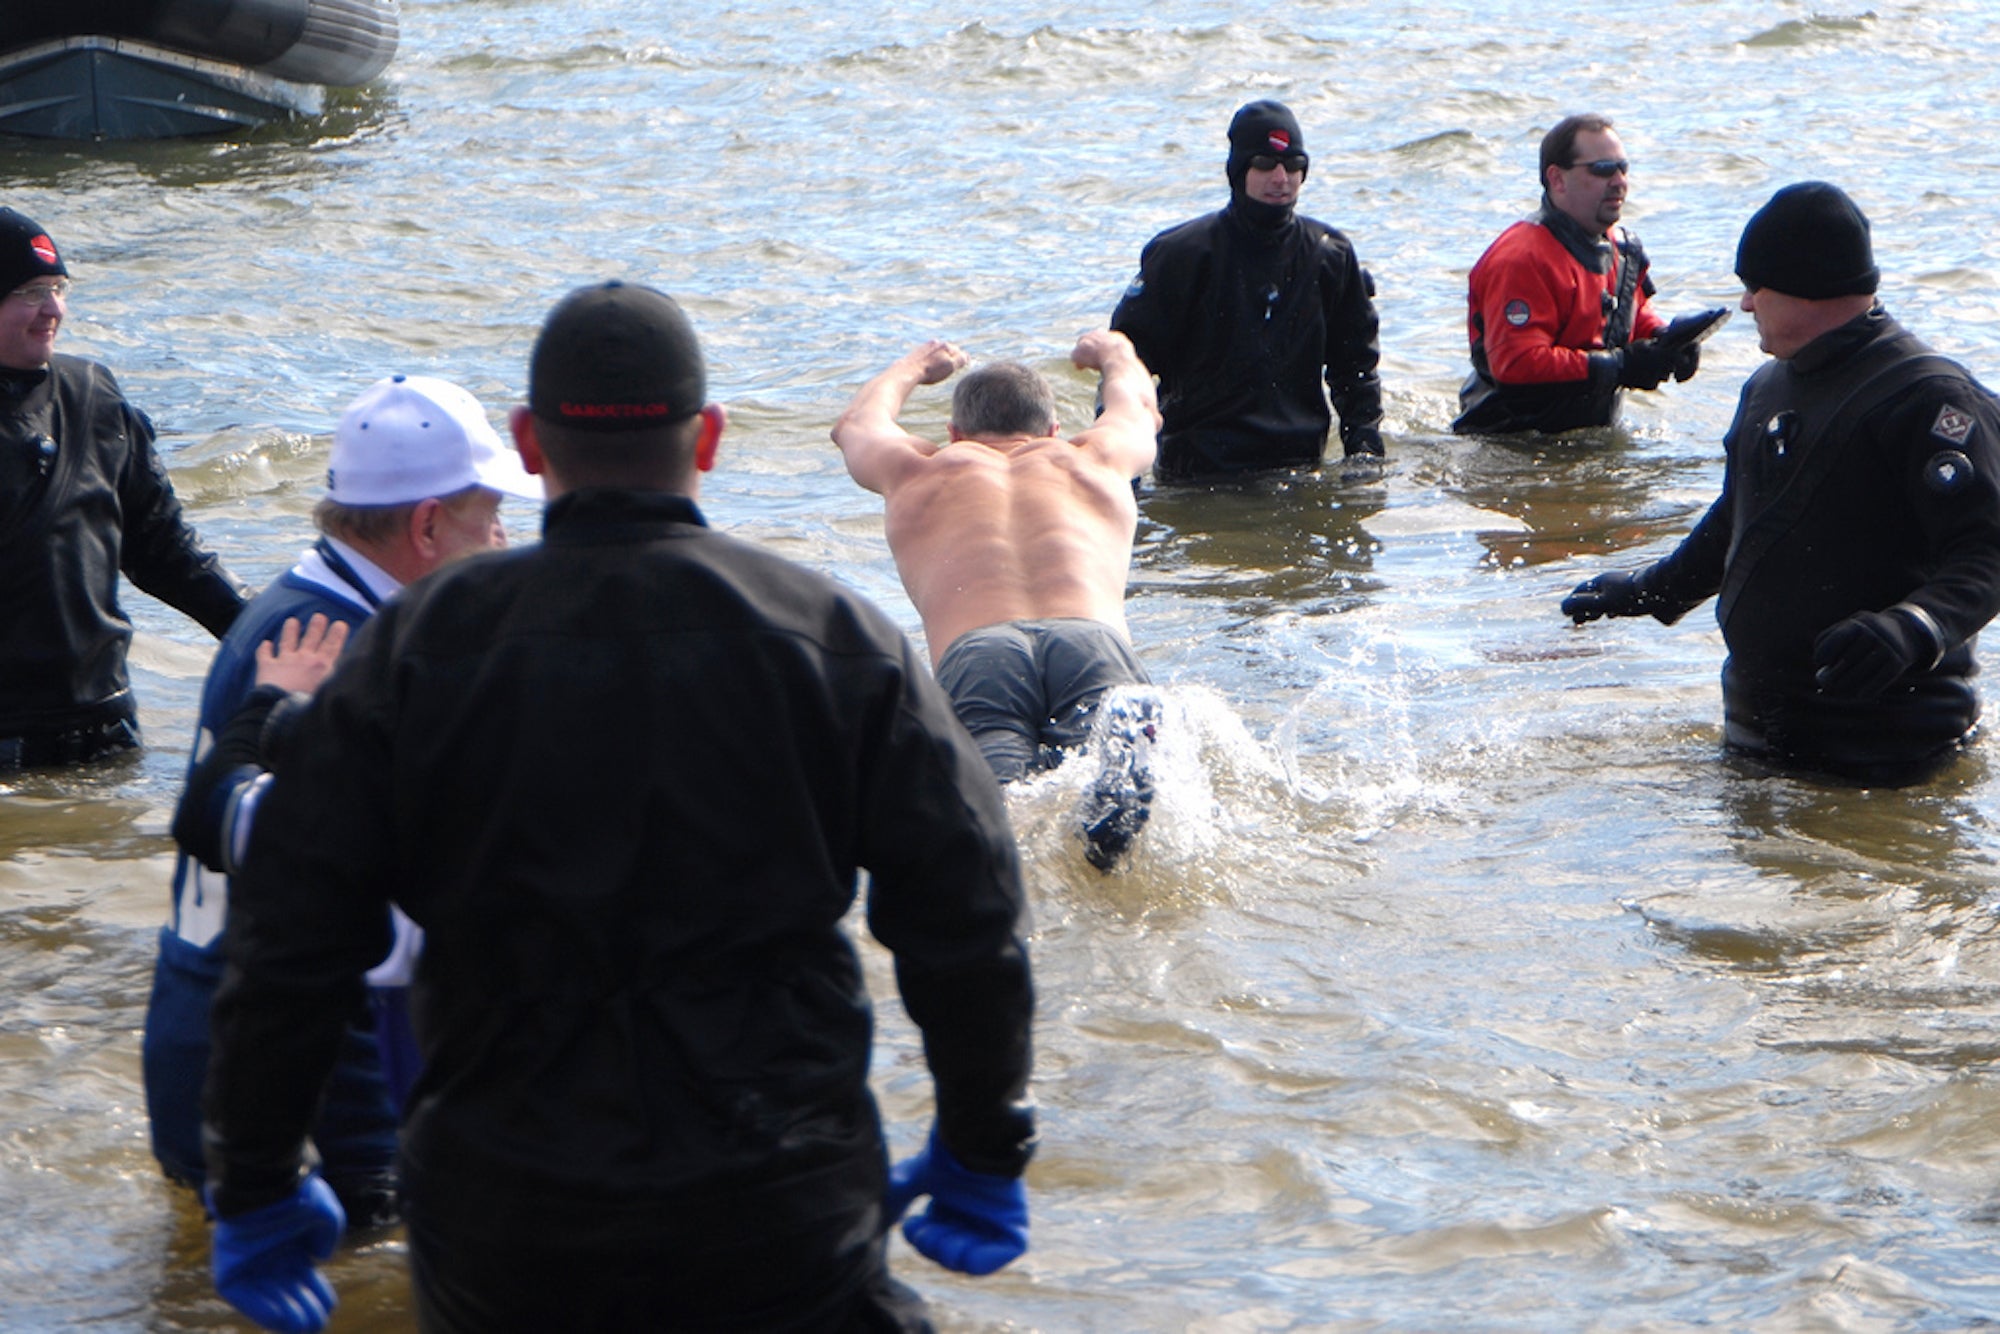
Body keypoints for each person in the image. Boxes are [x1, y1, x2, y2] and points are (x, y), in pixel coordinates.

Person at [201, 281, 1036, 1334]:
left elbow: (290, 933)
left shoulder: (415, 649)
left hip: (507, 1216)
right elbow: (965, 903)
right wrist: (981, 1134)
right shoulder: (831, 636)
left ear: (529, 445)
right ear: (711, 439)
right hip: (776, 1194)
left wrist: (256, 1179)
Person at [143, 373, 542, 1228]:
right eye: (490, 515)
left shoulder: (306, 615)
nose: (506, 539)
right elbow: (325, 938)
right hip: (298, 1094)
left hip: (219, 1051)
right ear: (428, 525)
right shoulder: (345, 653)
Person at [1563, 181, 2000, 784]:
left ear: (1807, 288)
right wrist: (1652, 590)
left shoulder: (1930, 398)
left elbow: (1986, 551)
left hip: (1888, 753)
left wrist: (1913, 627)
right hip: (1758, 736)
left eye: (1754, 287)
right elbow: (1742, 518)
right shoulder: (1768, 385)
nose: (1744, 305)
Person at [831, 332, 1163, 868]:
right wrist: (1114, 353)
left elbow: (854, 426)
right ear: (1054, 430)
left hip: (980, 655)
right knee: (1115, 829)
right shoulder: (1095, 458)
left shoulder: (917, 471)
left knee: (1001, 831)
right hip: (1091, 642)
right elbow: (1141, 408)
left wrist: (916, 366)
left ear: (955, 433)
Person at [0, 206, 247, 768]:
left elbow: (166, 551)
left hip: (106, 734)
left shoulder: (94, 397)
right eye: (30, 292)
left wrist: (267, 626)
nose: (53, 310)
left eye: (59, 289)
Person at [1110, 99, 1384, 481]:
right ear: (1238, 170)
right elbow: (1125, 363)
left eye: (1293, 166)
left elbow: (1355, 367)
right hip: (1197, 475)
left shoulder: (1330, 254)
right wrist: (1122, 472)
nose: (1280, 177)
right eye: (1264, 165)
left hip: (1299, 470)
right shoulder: (1181, 255)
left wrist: (1365, 457)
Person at [1453, 113, 1708, 436]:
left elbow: (1634, 312)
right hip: (1511, 440)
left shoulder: (1623, 248)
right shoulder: (1521, 257)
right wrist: (1622, 366)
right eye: (1603, 170)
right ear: (1557, 179)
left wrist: (1666, 342)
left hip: (1589, 435)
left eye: (1623, 168)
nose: (1618, 181)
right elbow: (1516, 363)